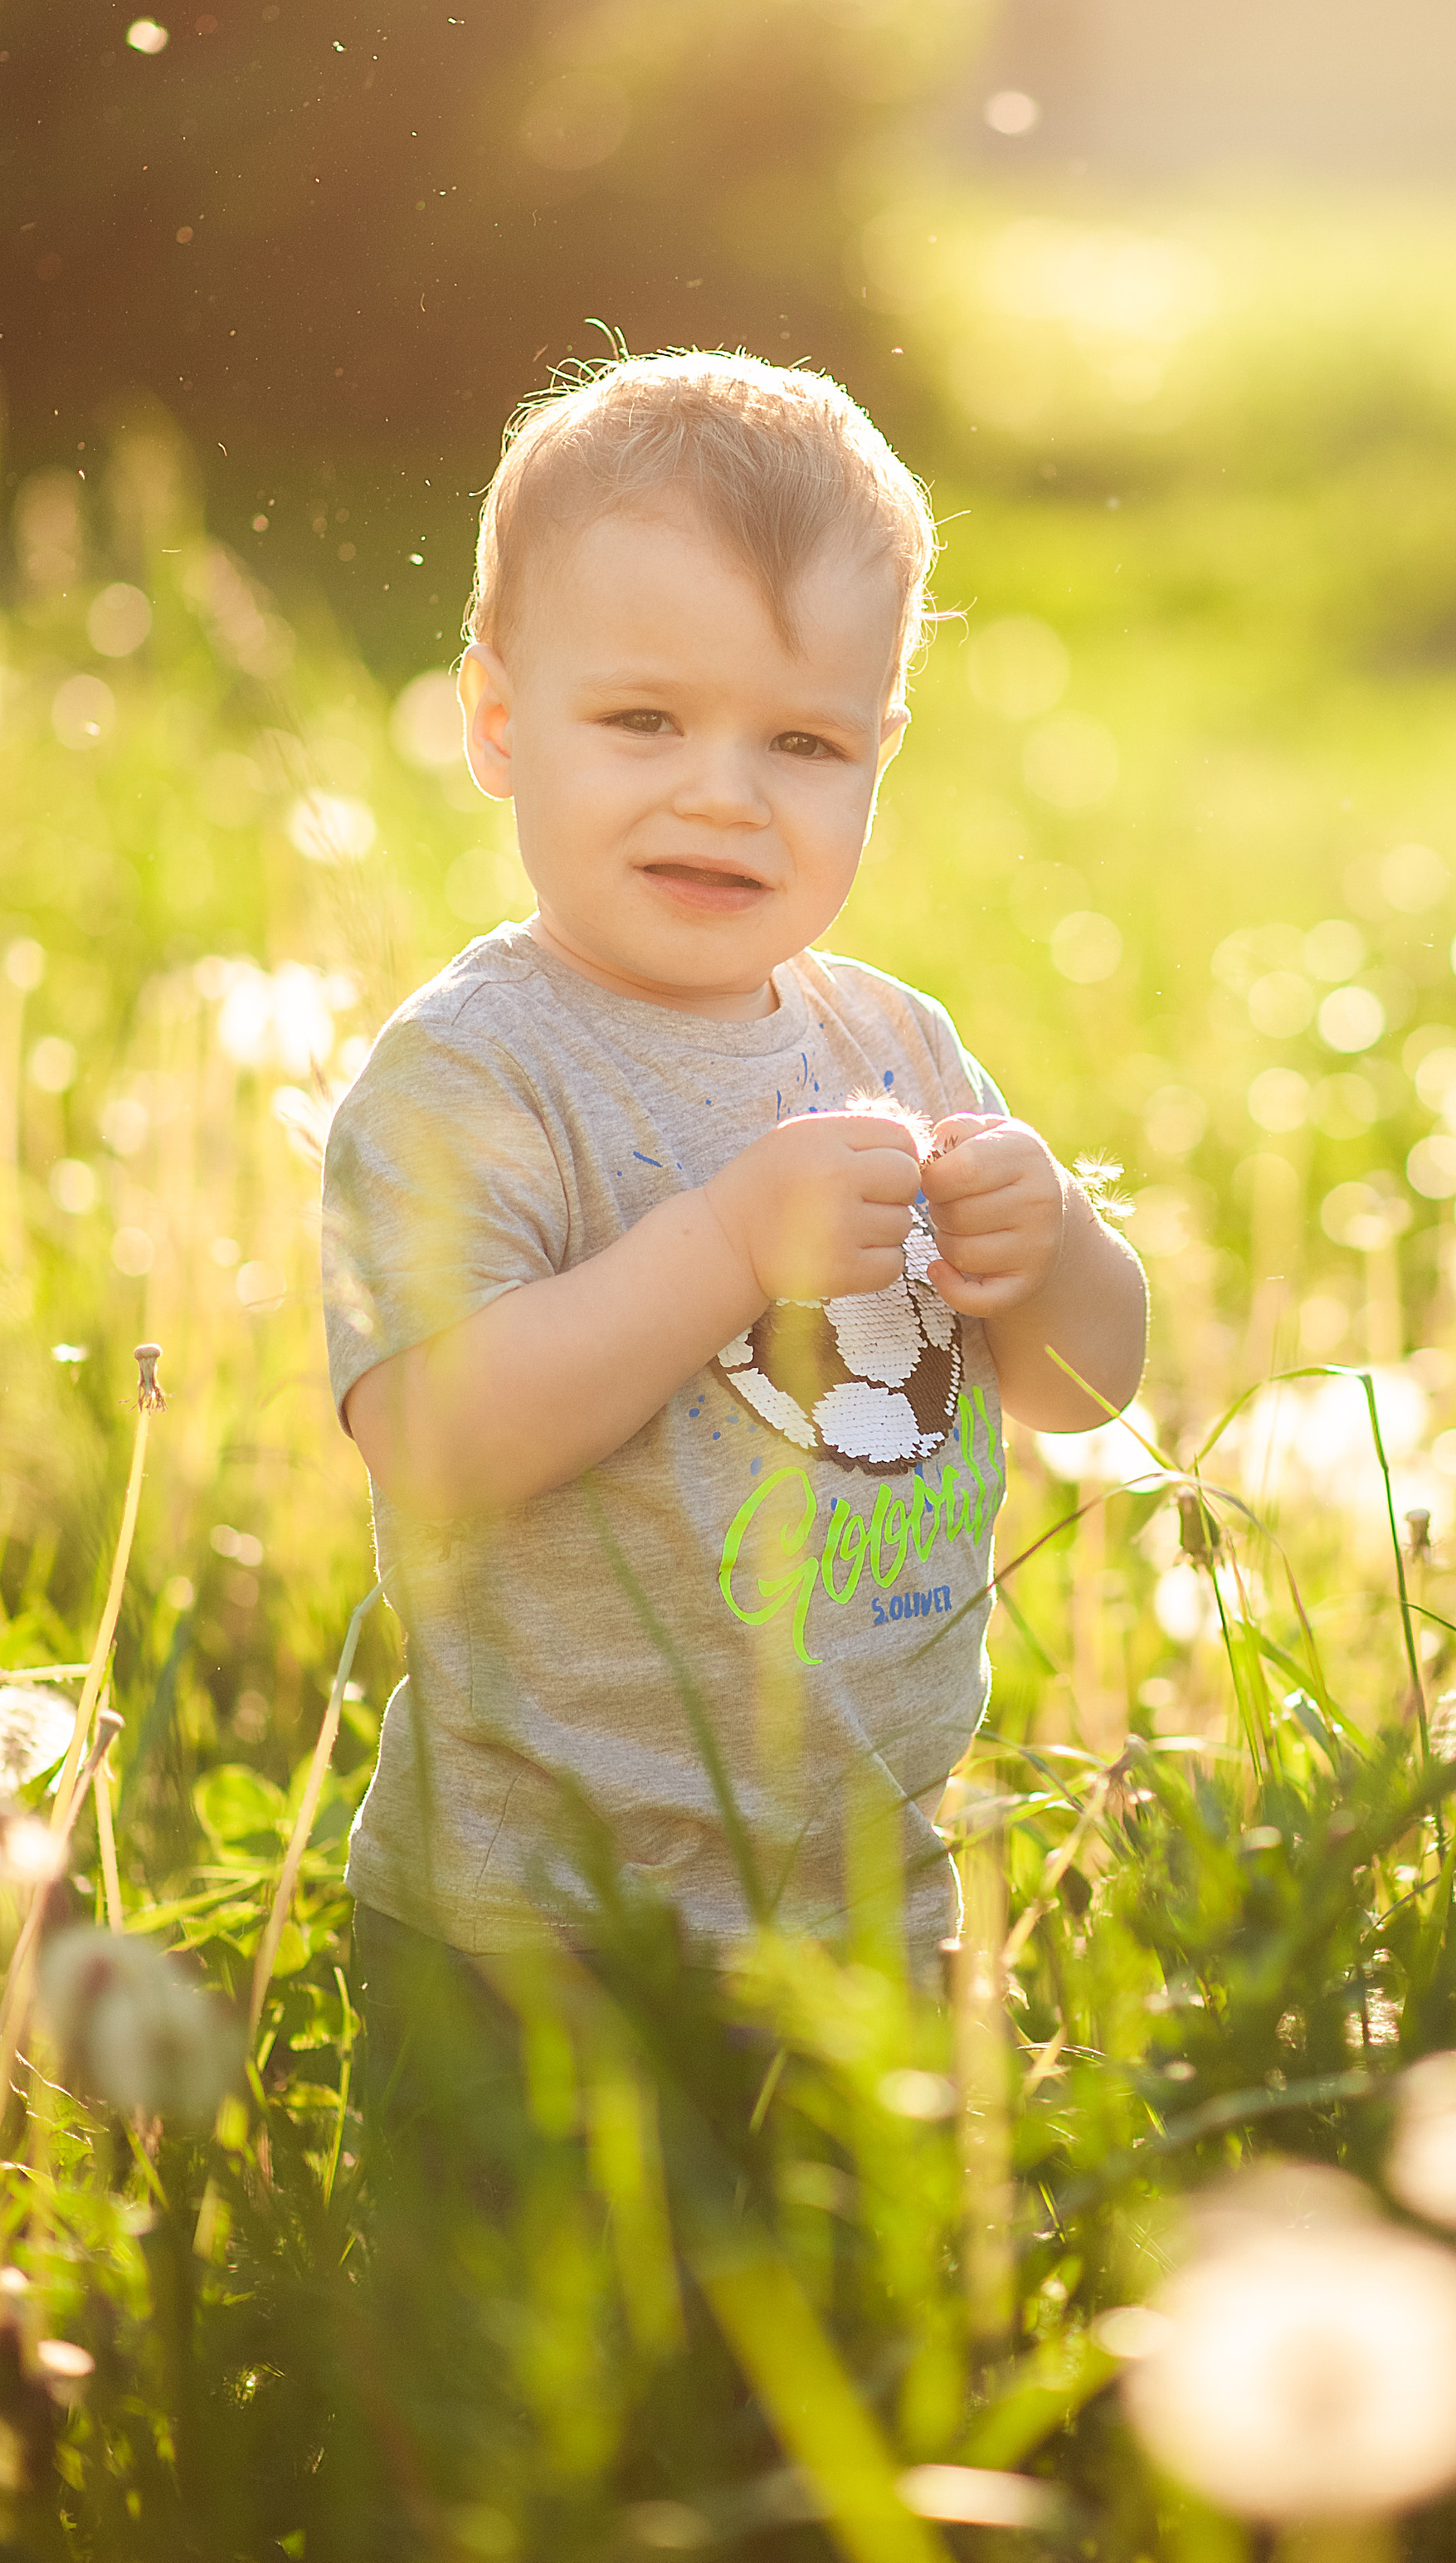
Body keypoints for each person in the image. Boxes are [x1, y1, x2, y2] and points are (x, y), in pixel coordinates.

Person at [321, 349, 1147, 2117]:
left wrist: (1055, 1248)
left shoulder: (897, 1044)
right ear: (493, 722)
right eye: (643, 721)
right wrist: (724, 1245)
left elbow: (1081, 1391)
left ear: (878, 755)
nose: (724, 792)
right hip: (539, 1929)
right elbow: (439, 1440)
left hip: (871, 1909)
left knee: (831, 2370)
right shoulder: (474, 1072)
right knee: (523, 2376)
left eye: (800, 740)